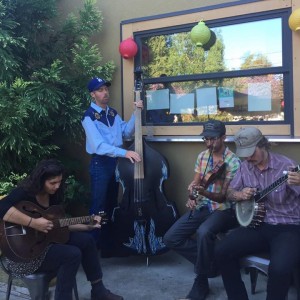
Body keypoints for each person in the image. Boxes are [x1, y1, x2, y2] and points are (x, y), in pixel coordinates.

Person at [0, 159, 123, 300]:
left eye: (59, 182)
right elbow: (1, 208)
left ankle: (98, 291)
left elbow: (58, 224)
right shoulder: (25, 192)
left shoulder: (54, 195)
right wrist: (33, 223)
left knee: (87, 240)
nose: (57, 186)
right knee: (71, 254)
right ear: (41, 180)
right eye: (52, 183)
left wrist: (87, 225)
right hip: (24, 256)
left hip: (46, 242)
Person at [215, 127, 300, 300]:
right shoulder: (245, 167)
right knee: (221, 251)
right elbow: (230, 192)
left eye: (251, 153)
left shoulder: (287, 166)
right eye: (244, 154)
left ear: (263, 145)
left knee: (279, 268)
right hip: (258, 225)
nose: (247, 158)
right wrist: (239, 194)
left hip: (288, 227)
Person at [163, 120, 240, 300]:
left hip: (223, 209)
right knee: (170, 238)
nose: (208, 143)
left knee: (203, 232)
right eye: (205, 138)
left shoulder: (233, 161)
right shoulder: (203, 156)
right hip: (203, 205)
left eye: (213, 139)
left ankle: (201, 279)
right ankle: (211, 261)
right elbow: (197, 181)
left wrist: (203, 192)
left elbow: (224, 196)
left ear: (223, 137)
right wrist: (192, 194)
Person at [81, 77, 143, 253]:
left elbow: (125, 133)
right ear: (93, 94)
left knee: (110, 205)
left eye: (106, 89)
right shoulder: (88, 117)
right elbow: (98, 145)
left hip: (115, 163)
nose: (105, 92)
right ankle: (91, 250)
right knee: (98, 207)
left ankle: (107, 248)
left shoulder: (112, 113)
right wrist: (125, 153)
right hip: (101, 163)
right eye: (100, 90)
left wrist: (135, 113)